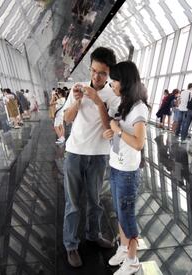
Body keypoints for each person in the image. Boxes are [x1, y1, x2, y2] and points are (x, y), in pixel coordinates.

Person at [62, 47, 120, 267]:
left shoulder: (113, 96)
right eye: (94, 71)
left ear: (109, 74)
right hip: (75, 153)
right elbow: (67, 119)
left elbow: (109, 127)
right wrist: (77, 101)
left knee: (95, 202)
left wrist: (98, 101)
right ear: (90, 68)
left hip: (98, 155)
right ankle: (71, 245)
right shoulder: (78, 90)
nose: (96, 76)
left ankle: (93, 235)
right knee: (73, 203)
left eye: (102, 73)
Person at [102, 61, 148, 275]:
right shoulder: (125, 103)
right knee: (120, 213)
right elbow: (121, 130)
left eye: (114, 81)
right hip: (115, 166)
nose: (111, 85)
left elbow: (139, 143)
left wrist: (117, 130)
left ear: (125, 81)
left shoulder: (139, 107)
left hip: (127, 171)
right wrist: (111, 133)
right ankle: (122, 248)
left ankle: (132, 260)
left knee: (127, 215)